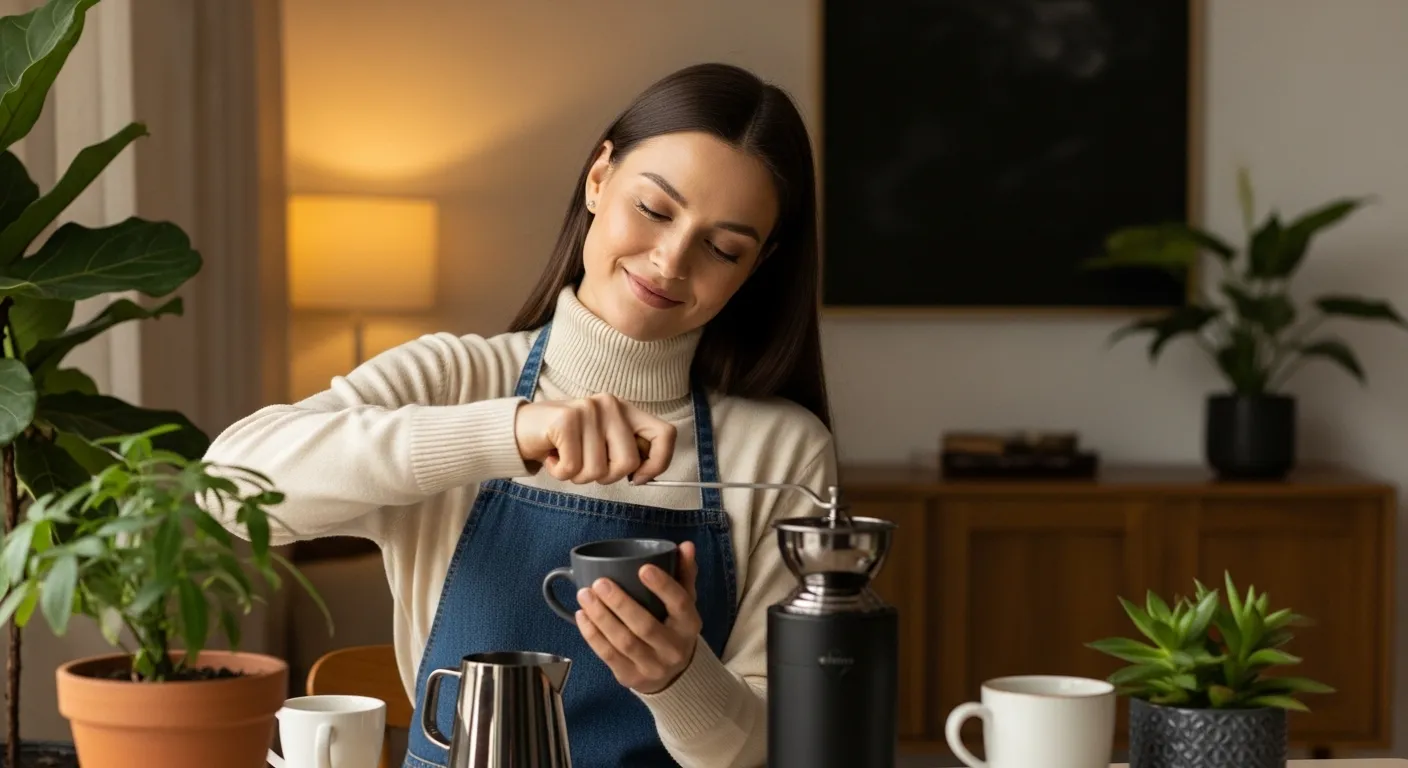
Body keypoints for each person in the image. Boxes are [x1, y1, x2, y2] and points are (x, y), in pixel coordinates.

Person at [204, 61, 837, 768]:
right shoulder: (453, 378)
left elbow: (780, 747)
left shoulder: (782, 452)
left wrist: (680, 678)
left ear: (757, 266)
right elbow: (226, 489)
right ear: (599, 178)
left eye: (722, 248)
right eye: (655, 210)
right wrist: (508, 431)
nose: (669, 260)